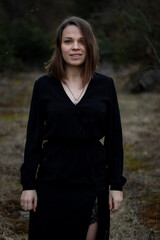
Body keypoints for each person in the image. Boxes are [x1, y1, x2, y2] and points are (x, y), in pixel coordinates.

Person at [20, 16, 127, 240]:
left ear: (90, 45)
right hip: (52, 178)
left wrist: (116, 185)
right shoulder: (44, 86)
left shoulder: (105, 85)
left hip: (92, 178)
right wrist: (28, 184)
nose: (75, 47)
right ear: (59, 46)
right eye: (68, 41)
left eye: (81, 41)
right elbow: (33, 138)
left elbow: (114, 139)